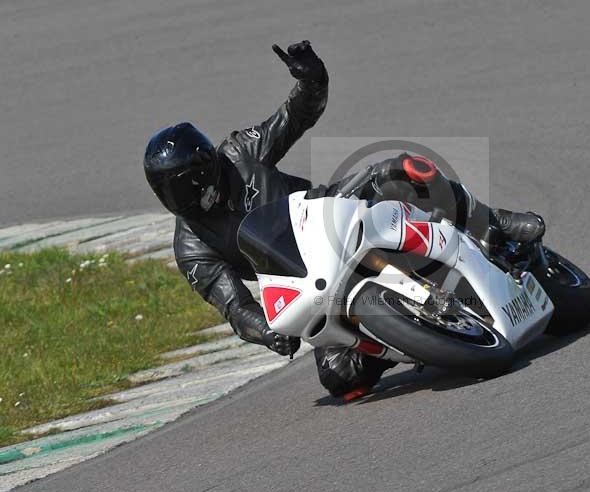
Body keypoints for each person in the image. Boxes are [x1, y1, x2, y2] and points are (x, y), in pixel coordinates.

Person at [143, 41, 544, 399]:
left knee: (401, 171)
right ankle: (406, 339)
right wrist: (266, 332)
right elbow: (235, 306)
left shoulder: (239, 154)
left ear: (203, 168)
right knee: (341, 378)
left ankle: (494, 223)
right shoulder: (192, 248)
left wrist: (312, 80)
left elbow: (293, 118)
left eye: (178, 186)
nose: (175, 198)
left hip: (335, 211)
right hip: (311, 283)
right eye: (164, 190)